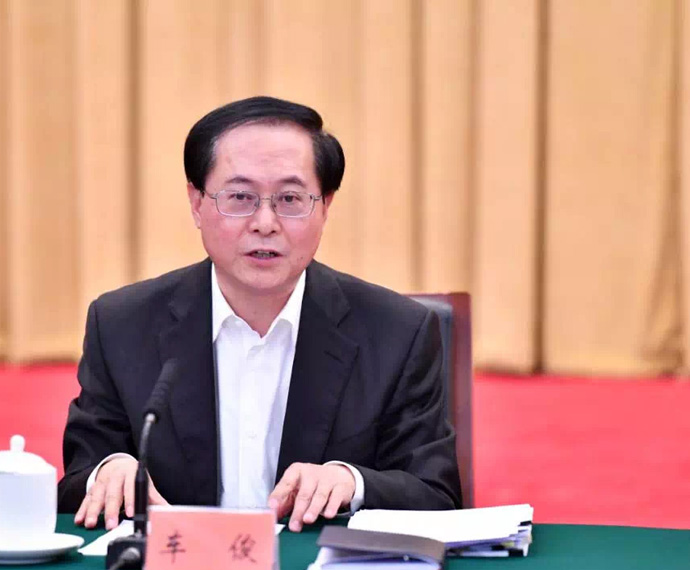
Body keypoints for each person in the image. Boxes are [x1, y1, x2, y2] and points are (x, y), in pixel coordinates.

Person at [58, 96, 461, 533]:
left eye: (290, 198)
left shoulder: (398, 333)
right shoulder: (122, 326)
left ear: (325, 206)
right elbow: (76, 483)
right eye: (240, 197)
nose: (265, 222)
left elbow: (436, 495)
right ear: (196, 203)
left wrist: (353, 482)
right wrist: (107, 472)